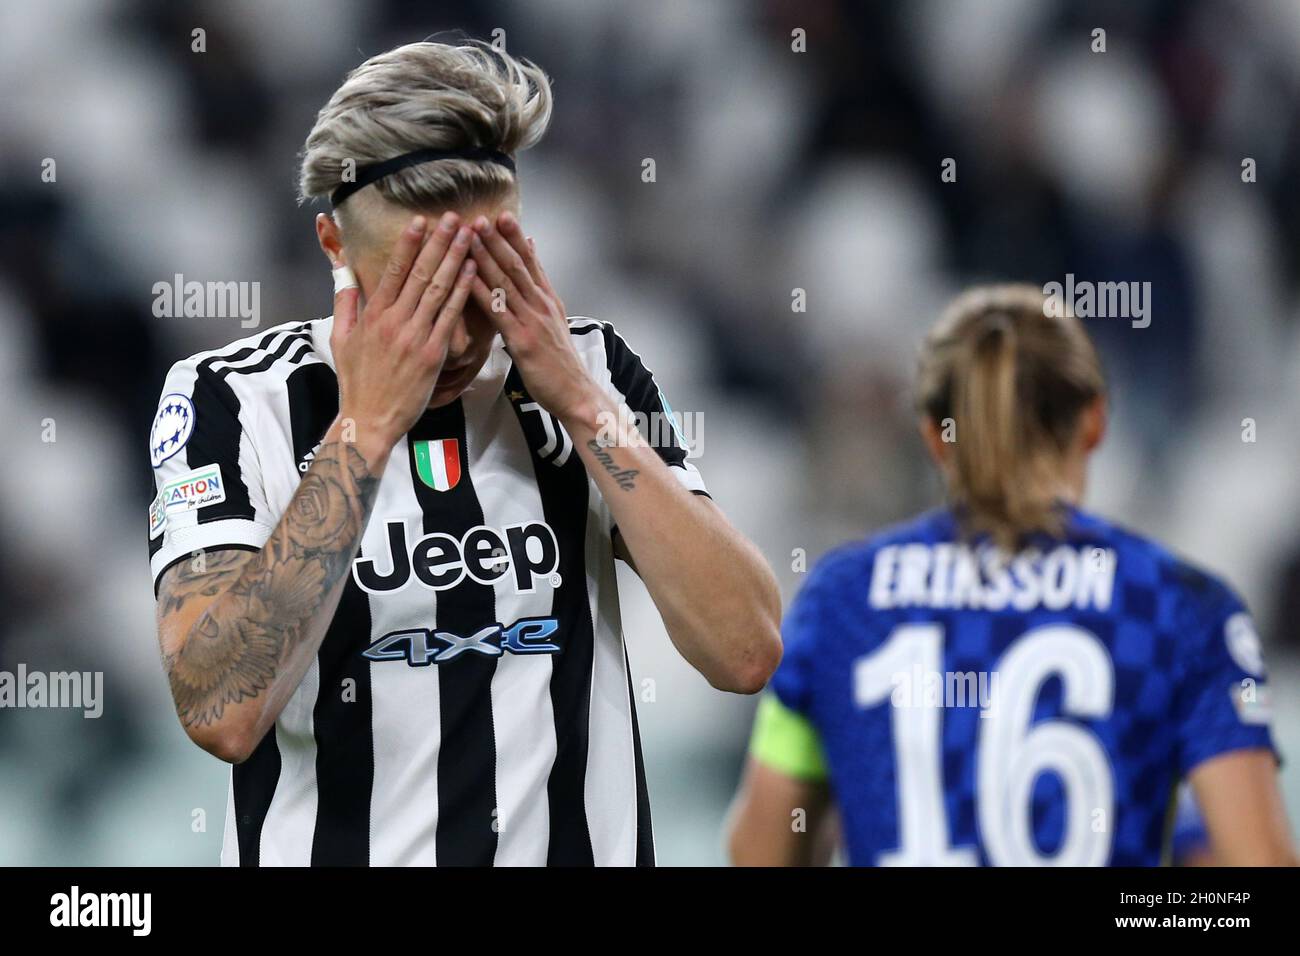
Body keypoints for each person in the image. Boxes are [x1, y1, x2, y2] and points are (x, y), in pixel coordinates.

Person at [147, 39, 781, 867]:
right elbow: (219, 709)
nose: (453, 337)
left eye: (482, 284)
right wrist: (365, 431)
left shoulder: (593, 373)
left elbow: (745, 650)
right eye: (417, 290)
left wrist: (586, 409)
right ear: (334, 249)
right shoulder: (229, 399)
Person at [727, 284, 1295, 866]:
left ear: (933, 436)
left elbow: (758, 853)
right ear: (1095, 421)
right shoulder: (1176, 606)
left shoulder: (841, 601)